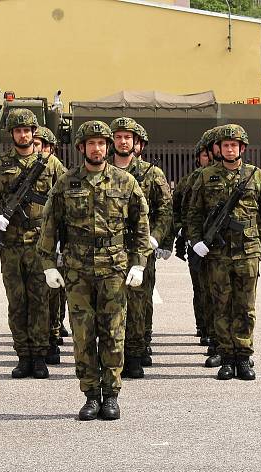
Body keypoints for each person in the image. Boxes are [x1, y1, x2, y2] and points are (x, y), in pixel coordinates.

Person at [37, 120, 151, 421]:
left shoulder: (126, 183)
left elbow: (141, 226)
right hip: (78, 271)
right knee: (83, 335)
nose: (97, 148)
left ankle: (111, 395)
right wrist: (48, 264)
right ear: (81, 148)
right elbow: (50, 226)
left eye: (102, 143)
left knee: (114, 333)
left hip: (114, 268)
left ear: (107, 147)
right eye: (91, 144)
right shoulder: (66, 183)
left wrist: (139, 262)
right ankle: (90, 395)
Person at [0, 109, 61, 379]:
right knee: (17, 302)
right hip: (10, 246)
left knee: (41, 302)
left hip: (39, 246)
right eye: (18, 131)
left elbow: (67, 197)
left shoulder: (51, 165)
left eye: (27, 130)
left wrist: (60, 237)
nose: (23, 134)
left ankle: (40, 357)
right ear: (12, 134)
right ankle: (23, 356)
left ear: (35, 133)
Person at [187, 124, 261, 380]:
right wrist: (195, 241)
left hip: (248, 251)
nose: (230, 149)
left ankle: (244, 356)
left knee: (245, 306)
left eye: (234, 145)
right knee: (221, 305)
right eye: (225, 145)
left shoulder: (255, 176)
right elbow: (193, 214)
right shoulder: (206, 176)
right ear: (219, 148)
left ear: (242, 148)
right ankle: (226, 357)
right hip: (217, 253)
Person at [108, 117, 172, 378]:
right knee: (111, 304)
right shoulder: (101, 171)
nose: (123, 141)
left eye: (128, 137)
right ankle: (115, 354)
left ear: (136, 143)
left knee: (139, 303)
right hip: (109, 251)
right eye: (119, 137)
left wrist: (155, 238)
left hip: (140, 250)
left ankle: (136, 352)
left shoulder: (151, 174)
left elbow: (166, 210)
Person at [172, 133, 212, 364]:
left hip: (218, 244)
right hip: (195, 241)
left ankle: (219, 336)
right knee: (200, 288)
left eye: (210, 153)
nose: (208, 158)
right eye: (204, 155)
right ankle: (203, 326)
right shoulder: (190, 181)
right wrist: (180, 230)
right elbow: (176, 208)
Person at [33, 126, 69, 364]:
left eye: (40, 144)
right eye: (34, 143)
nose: (36, 148)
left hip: (52, 235)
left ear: (49, 147)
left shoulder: (56, 167)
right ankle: (45, 336)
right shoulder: (31, 165)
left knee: (55, 293)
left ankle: (54, 333)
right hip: (33, 236)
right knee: (42, 292)